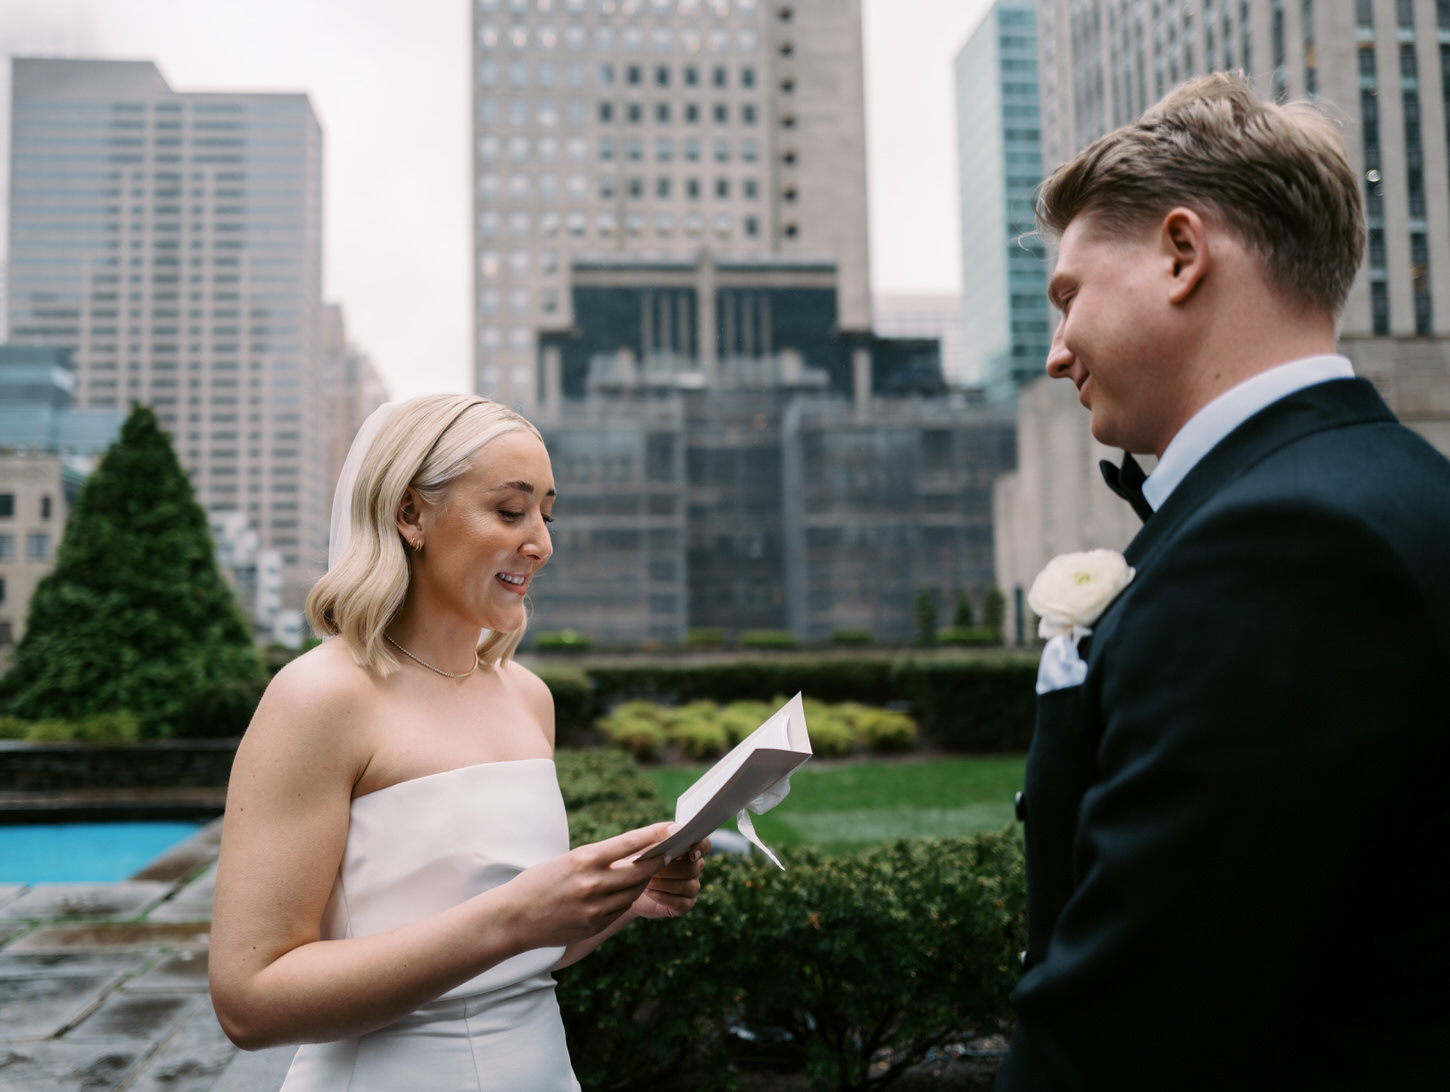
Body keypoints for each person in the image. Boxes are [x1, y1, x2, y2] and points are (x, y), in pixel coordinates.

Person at [999, 73, 1450, 1089]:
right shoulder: (1403, 488)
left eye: (1068, 296)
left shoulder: (1281, 546)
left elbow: (1140, 1025)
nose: (1055, 352)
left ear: (1180, 252)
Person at [209, 394, 708, 1091]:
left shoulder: (529, 698)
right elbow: (249, 1001)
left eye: (546, 513)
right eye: (510, 511)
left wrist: (625, 898)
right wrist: (513, 918)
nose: (541, 542)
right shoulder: (318, 698)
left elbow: (520, 953)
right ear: (411, 514)